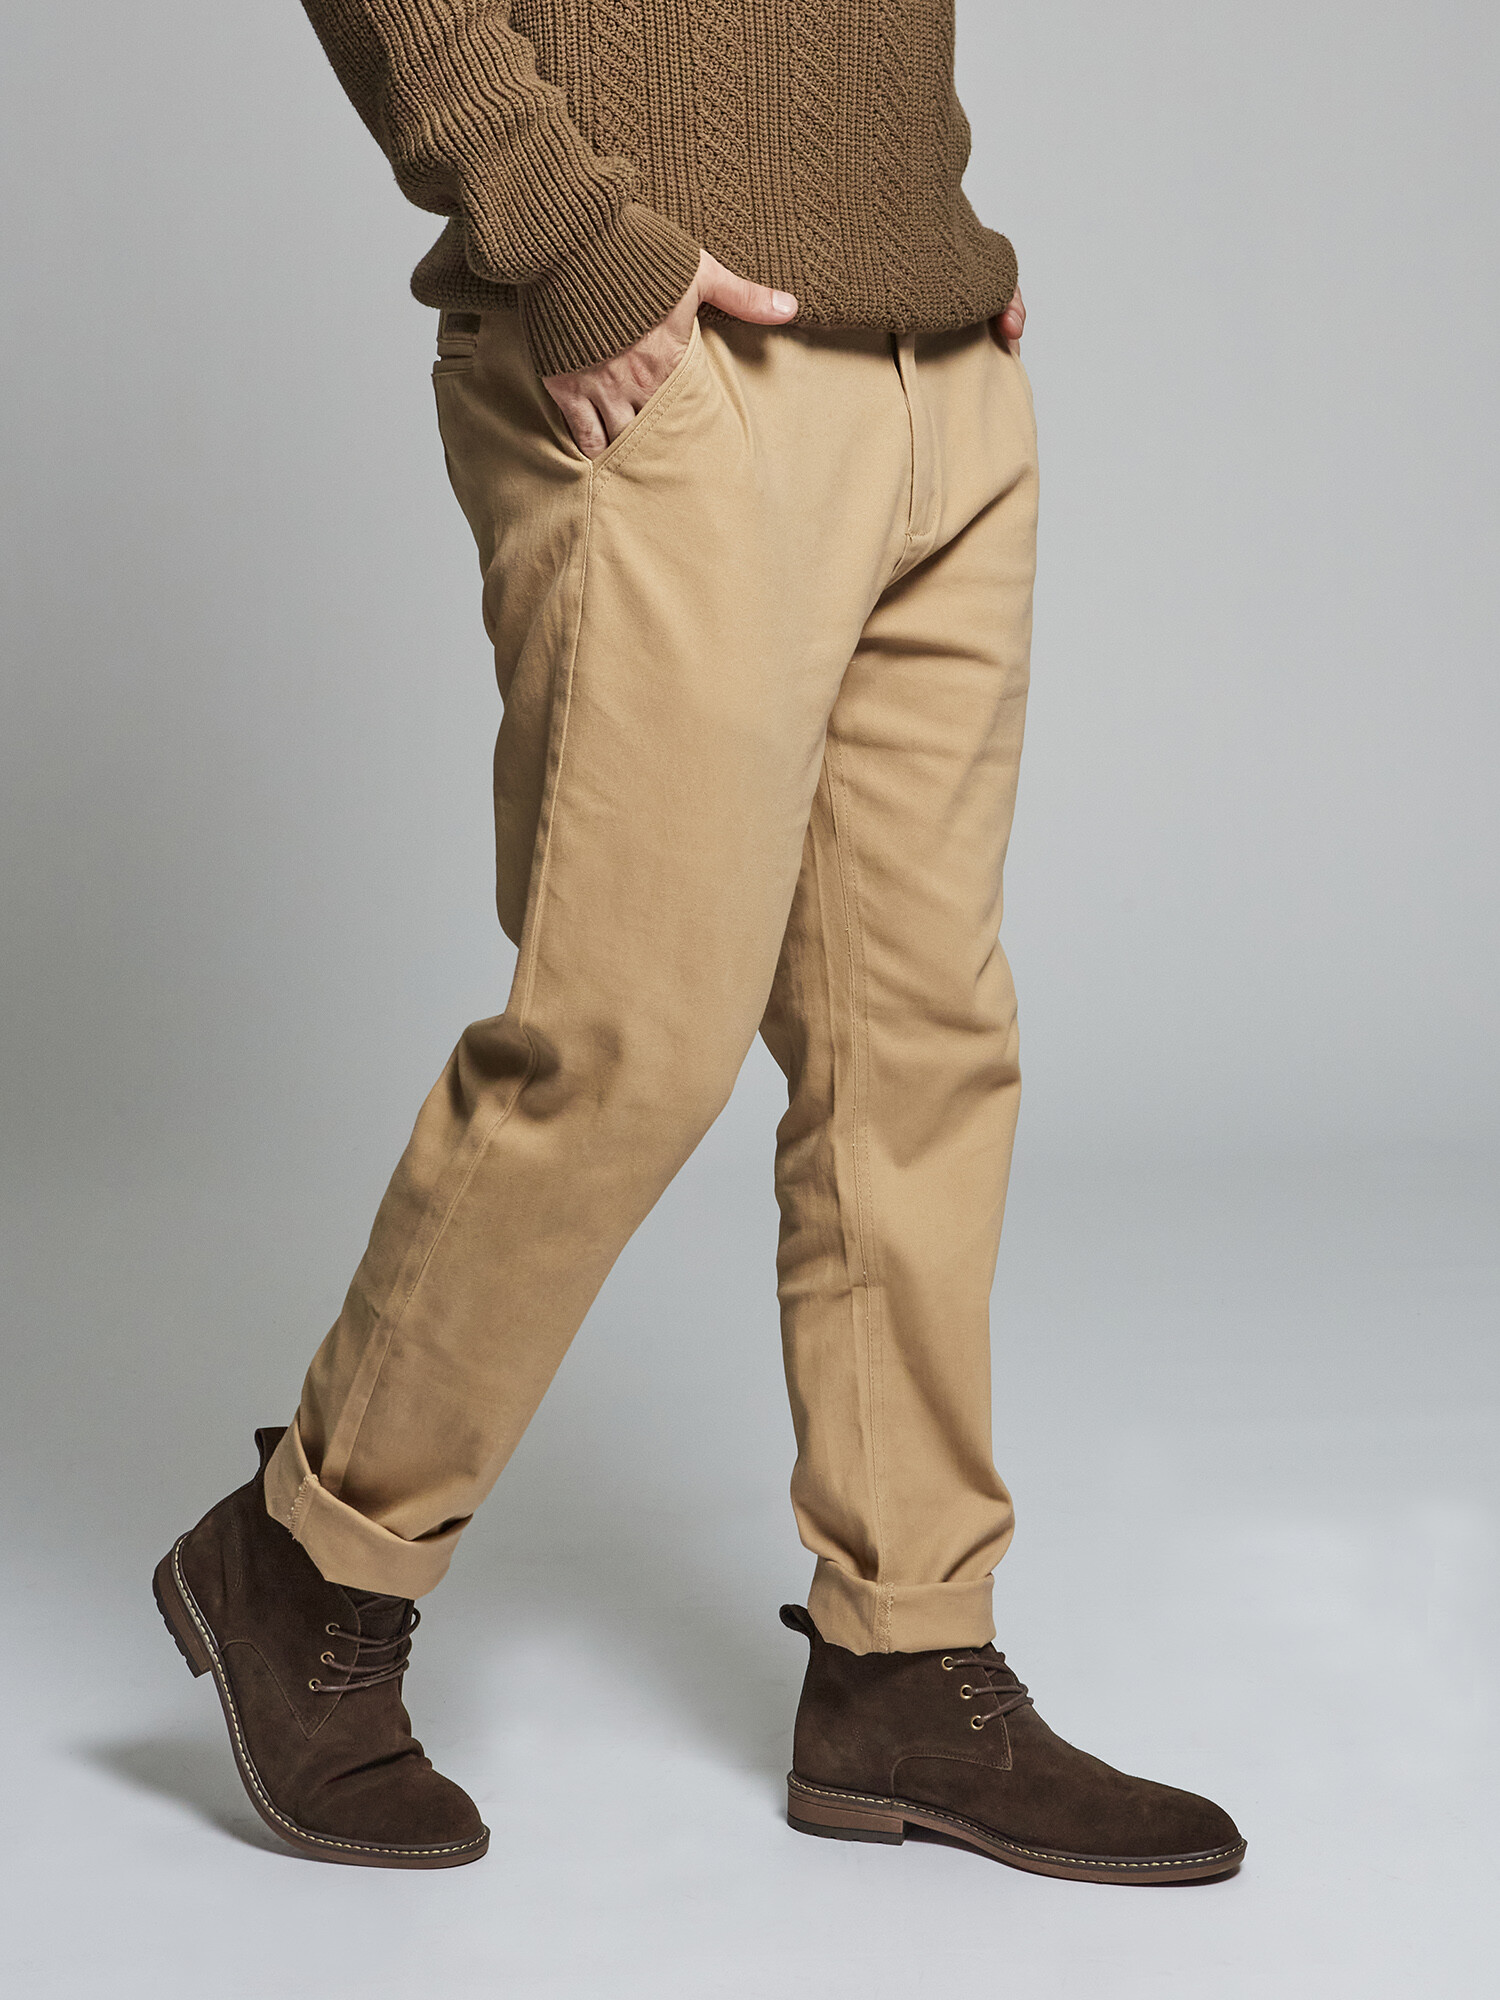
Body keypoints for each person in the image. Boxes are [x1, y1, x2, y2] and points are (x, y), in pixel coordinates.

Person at [153, 0, 1244, 1881]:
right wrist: (565, 231)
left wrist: (920, 230)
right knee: (628, 1039)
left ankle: (908, 1656)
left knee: (919, 1049)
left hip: (936, 363)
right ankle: (308, 1559)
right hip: (670, 354)